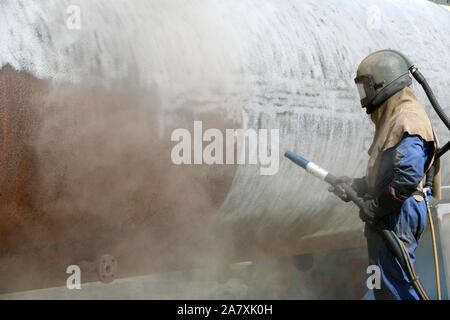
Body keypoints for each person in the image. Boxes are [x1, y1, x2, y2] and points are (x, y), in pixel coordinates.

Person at [330, 49, 441, 300]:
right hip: (394, 210)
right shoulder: (396, 118)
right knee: (385, 285)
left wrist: (377, 206)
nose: (364, 100)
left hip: (398, 213)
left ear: (382, 84)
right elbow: (389, 174)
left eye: (365, 90)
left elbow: (407, 177)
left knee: (395, 286)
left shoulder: (407, 119)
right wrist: (357, 186)